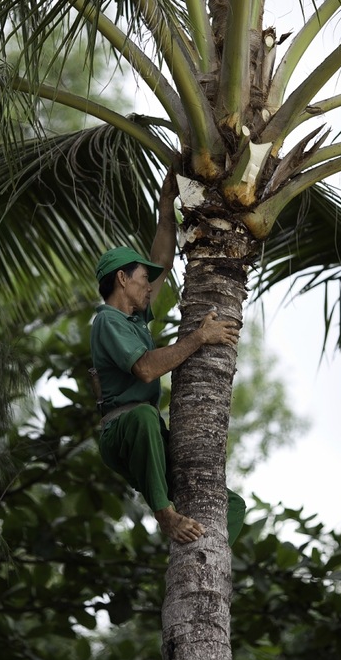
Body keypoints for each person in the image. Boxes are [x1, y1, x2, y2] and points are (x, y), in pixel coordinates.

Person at [90, 170, 246, 545]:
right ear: (123, 279)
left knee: (229, 502)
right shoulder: (107, 320)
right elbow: (145, 369)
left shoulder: (134, 315)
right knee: (145, 416)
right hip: (125, 430)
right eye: (144, 279)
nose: (151, 287)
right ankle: (165, 516)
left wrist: (165, 208)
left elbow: (161, 257)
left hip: (150, 435)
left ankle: (207, 554)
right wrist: (200, 337)